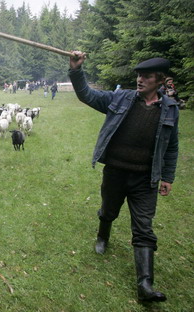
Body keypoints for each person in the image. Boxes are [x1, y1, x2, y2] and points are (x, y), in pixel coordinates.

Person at [68, 51, 179, 303]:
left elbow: (171, 147)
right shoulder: (121, 98)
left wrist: (168, 177)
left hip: (145, 179)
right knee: (108, 211)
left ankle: (145, 284)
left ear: (159, 80)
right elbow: (87, 95)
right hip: (116, 172)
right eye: (138, 75)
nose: (140, 80)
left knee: (143, 227)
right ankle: (102, 235)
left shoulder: (170, 109)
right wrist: (76, 70)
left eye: (147, 76)